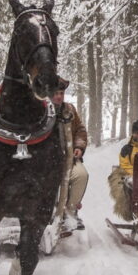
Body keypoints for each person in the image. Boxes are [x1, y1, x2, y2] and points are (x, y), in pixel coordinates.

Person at [52, 77, 88, 230]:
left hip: (69, 159)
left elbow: (80, 130)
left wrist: (78, 146)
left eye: (61, 93)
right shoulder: (39, 112)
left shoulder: (70, 110)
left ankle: (70, 211)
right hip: (46, 162)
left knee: (81, 175)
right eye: (55, 93)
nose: (59, 96)